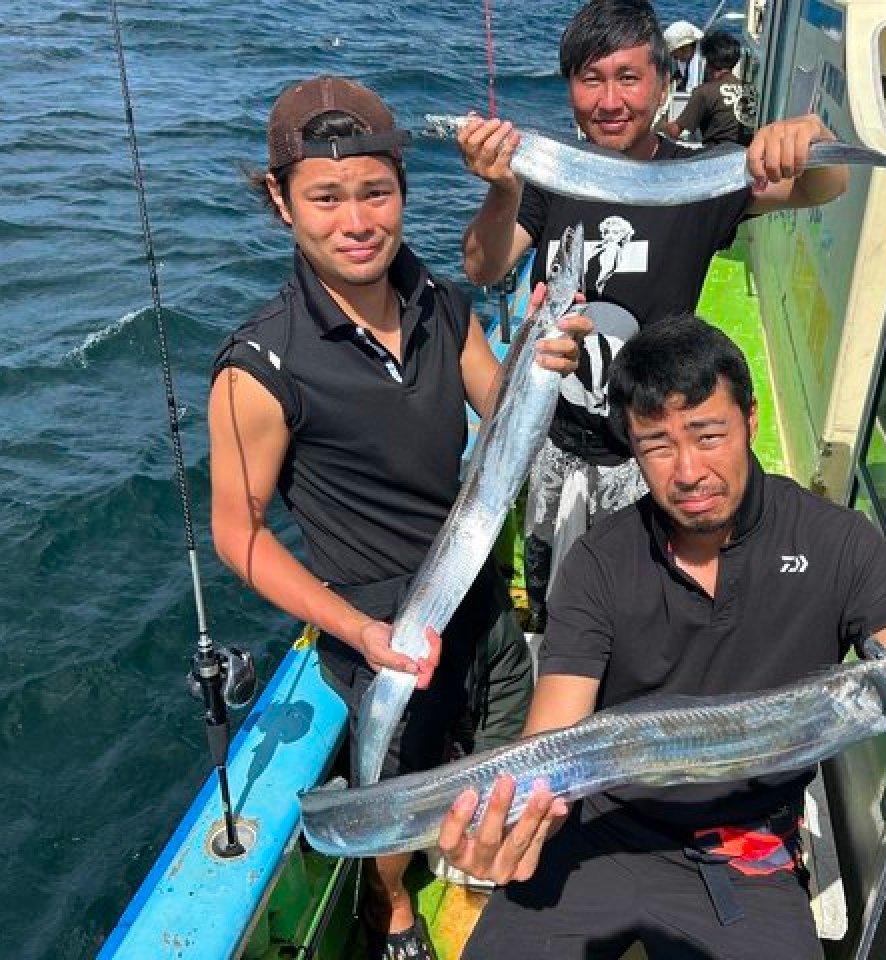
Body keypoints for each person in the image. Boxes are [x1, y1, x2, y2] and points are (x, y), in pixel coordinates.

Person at [435, 315, 886, 960]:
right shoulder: (599, 559)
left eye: (708, 433)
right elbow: (552, 736)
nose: (688, 470)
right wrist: (512, 820)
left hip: (744, 849)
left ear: (750, 418)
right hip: (597, 830)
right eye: (657, 445)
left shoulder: (839, 544)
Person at [207, 75, 589, 960]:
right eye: (326, 197)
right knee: (395, 795)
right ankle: (392, 907)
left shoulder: (437, 301)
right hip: (379, 632)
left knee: (505, 753)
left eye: (376, 192)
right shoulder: (261, 365)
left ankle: (486, 874)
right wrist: (360, 631)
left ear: (403, 192)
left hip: (483, 600)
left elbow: (499, 411)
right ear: (281, 200)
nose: (357, 221)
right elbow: (240, 534)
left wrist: (542, 358)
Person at [457, 0, 850, 628]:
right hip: (554, 442)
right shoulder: (555, 174)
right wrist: (503, 189)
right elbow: (483, 266)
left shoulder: (700, 176)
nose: (610, 100)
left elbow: (819, 185)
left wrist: (812, 139)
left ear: (663, 85)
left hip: (648, 455)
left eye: (629, 78)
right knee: (548, 603)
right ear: (570, 90)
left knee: (635, 610)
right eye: (591, 80)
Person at [664, 29, 759, 146]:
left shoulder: (704, 92)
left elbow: (674, 132)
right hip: (746, 153)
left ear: (708, 60)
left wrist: (658, 124)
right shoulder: (751, 89)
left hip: (716, 155)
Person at [663, 19, 705, 93]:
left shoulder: (703, 63)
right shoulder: (687, 58)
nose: (676, 59)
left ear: (684, 48)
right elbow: (681, 73)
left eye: (675, 56)